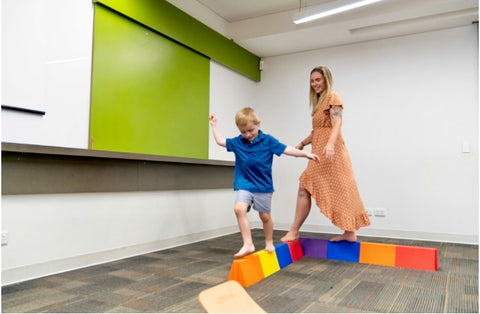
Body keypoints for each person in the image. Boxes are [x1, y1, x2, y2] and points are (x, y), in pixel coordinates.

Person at [209, 107, 320, 258]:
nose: (248, 135)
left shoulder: (268, 141)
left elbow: (287, 149)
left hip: (263, 186)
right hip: (245, 184)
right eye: (243, 132)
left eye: (251, 130)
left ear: (258, 124)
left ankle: (268, 241)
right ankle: (248, 244)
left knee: (265, 217)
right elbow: (221, 141)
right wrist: (214, 125)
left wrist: (305, 154)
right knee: (239, 209)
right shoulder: (238, 142)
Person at [280, 66, 370, 243]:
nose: (314, 84)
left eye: (318, 80)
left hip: (332, 152)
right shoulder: (319, 101)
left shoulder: (333, 96)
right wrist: (302, 143)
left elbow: (337, 123)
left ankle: (347, 232)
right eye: (312, 81)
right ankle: (297, 230)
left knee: (342, 190)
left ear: (326, 80)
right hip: (319, 153)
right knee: (305, 187)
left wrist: (329, 145)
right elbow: (317, 130)